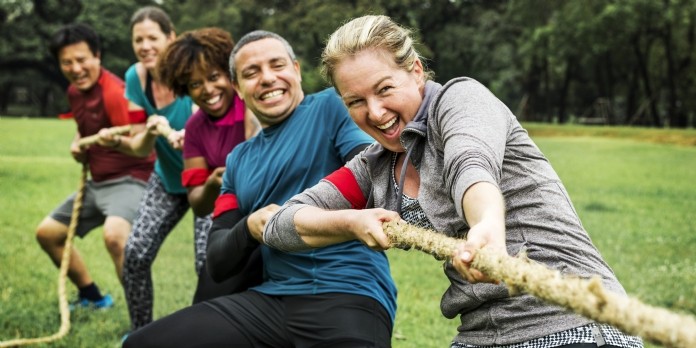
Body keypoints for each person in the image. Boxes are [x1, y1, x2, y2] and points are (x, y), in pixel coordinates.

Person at [263, 15, 644, 348]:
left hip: (573, 320)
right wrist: (351, 222)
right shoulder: (374, 166)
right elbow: (283, 224)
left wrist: (488, 227)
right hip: (481, 335)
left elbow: (470, 165)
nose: (375, 112)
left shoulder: (460, 101)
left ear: (414, 71)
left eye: (384, 89)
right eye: (355, 101)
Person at [123, 30, 395, 347]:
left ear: (295, 69)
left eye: (276, 65)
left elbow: (371, 175)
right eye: (251, 73)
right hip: (270, 303)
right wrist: (250, 227)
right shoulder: (238, 160)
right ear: (238, 88)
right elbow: (217, 260)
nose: (266, 78)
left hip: (348, 294)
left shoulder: (331, 108)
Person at [37, 23, 154, 311]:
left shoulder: (115, 92)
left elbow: (142, 143)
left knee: (115, 236)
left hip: (131, 179)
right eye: (67, 62)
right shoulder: (75, 92)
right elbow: (85, 129)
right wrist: (79, 144)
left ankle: (142, 323)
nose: (76, 68)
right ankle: (93, 298)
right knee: (48, 234)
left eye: (82, 59)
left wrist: (112, 141)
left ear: (97, 56)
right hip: (97, 183)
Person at [156, 27, 260, 303]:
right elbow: (198, 204)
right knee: (209, 294)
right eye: (195, 84)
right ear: (184, 88)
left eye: (214, 77)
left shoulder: (251, 102)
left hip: (271, 214)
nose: (208, 90)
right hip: (232, 217)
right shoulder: (195, 129)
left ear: (230, 73)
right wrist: (214, 183)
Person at [113, 6, 198, 331]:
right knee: (134, 255)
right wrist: (148, 132)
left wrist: (195, 135)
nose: (145, 46)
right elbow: (138, 147)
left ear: (171, 38)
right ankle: (141, 333)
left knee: (208, 265)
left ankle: (206, 335)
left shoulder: (192, 72)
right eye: (138, 40)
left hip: (208, 181)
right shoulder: (136, 77)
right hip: (167, 180)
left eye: (152, 37)